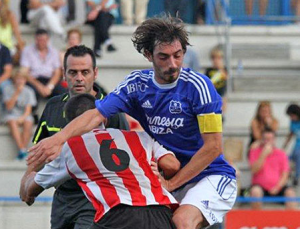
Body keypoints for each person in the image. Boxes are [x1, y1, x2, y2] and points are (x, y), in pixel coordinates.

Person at [28, 16, 237, 229]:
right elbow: (95, 114)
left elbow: (213, 147)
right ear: (148, 55)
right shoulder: (136, 86)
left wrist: (171, 183)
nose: (172, 64)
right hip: (168, 177)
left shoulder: (199, 87)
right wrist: (59, 139)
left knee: (181, 221)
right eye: (163, 57)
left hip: (209, 175)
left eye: (178, 55)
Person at [20, 93, 179, 229]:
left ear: (71, 125)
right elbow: (172, 165)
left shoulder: (73, 148)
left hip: (119, 216)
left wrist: (29, 177)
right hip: (161, 214)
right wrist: (163, 179)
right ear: (106, 120)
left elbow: (32, 190)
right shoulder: (139, 137)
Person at [32, 45, 130, 229]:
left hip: (96, 200)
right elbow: (37, 153)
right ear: (63, 74)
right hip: (62, 200)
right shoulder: (52, 106)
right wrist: (29, 178)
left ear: (95, 73)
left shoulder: (111, 111)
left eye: (85, 72)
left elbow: (126, 159)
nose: (79, 78)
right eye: (73, 72)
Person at [249, 128, 297, 210]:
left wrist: (277, 187)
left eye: (270, 139)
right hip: (260, 186)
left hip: (277, 187)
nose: (268, 141)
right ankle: (256, 221)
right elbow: (254, 170)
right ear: (262, 140)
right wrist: (263, 155)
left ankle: (290, 222)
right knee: (255, 192)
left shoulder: (281, 154)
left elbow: (285, 174)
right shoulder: (255, 151)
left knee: (291, 194)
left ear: (274, 140)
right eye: (265, 139)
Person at [20, 29, 66, 103]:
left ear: (48, 40)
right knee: (30, 91)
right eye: (39, 40)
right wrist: (39, 86)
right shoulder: (27, 50)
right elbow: (25, 72)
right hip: (34, 80)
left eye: (43, 40)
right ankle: (32, 113)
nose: (41, 42)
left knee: (63, 91)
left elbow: (57, 72)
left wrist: (49, 87)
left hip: (50, 80)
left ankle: (60, 112)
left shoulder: (54, 51)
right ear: (35, 39)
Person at [3, 69, 36, 159]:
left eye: (22, 79)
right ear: (14, 79)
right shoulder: (7, 89)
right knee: (12, 121)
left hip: (24, 115)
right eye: (18, 78)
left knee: (28, 121)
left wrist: (23, 117)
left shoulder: (29, 91)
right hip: (11, 114)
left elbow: (28, 110)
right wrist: (17, 92)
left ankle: (22, 150)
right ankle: (22, 149)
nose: (20, 81)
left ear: (25, 80)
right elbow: (9, 107)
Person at [205, 46, 227, 116]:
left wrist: (220, 68)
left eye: (218, 58)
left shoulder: (223, 70)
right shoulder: (209, 70)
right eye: (214, 58)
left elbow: (226, 77)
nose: (216, 60)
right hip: (212, 96)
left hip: (221, 95)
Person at [283, 104, 300, 186]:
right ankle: (288, 173)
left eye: (292, 115)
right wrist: (284, 146)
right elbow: (291, 134)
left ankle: (297, 176)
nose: (291, 118)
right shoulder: (293, 122)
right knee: (286, 157)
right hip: (297, 145)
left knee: (298, 156)